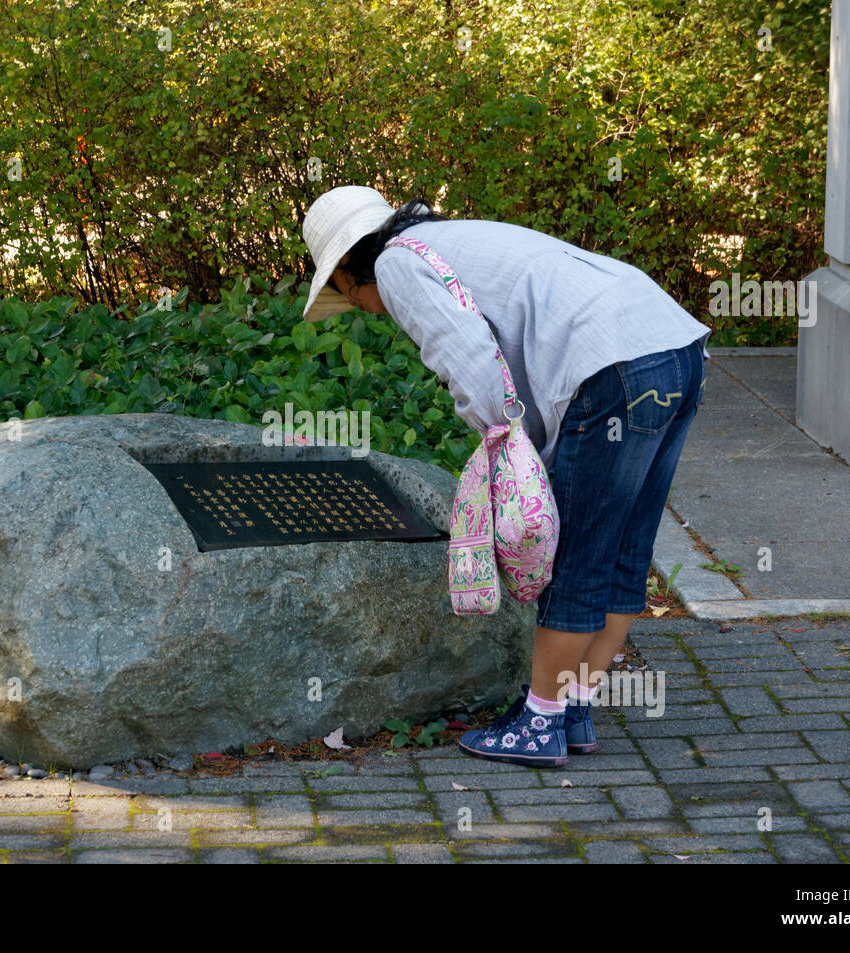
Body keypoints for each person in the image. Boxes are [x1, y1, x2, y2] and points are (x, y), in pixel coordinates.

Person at [300, 185, 710, 766]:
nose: (363, 310)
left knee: (578, 559)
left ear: (347, 269)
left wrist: (512, 460)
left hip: (611, 365)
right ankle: (573, 708)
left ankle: (539, 723)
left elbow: (472, 365)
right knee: (622, 550)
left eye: (345, 295)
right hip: (675, 347)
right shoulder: (446, 240)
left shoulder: (395, 265)